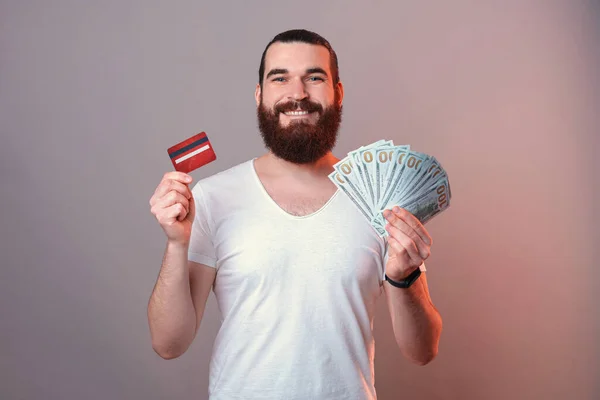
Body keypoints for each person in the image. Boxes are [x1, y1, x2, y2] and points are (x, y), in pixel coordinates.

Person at [148, 29, 442, 400]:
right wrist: (177, 244)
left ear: (338, 92)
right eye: (280, 77)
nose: (298, 93)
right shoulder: (211, 198)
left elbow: (423, 351)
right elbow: (168, 344)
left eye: (314, 77)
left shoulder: (378, 199)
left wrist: (403, 277)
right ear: (260, 95)